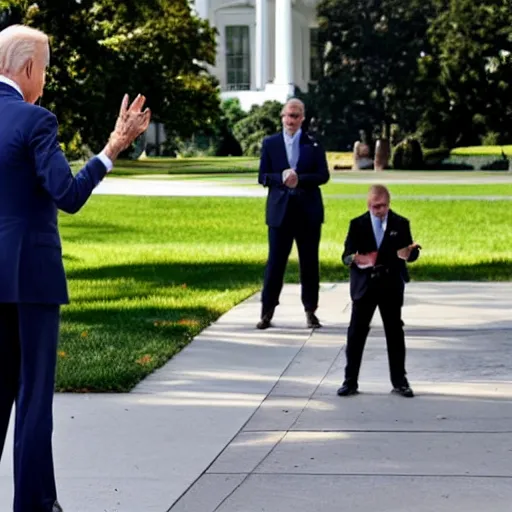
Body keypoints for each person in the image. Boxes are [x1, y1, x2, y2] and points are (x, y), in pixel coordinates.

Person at [0, 25, 150, 512]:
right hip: (31, 277)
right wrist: (112, 148)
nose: (44, 78)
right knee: (33, 396)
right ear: (26, 69)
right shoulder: (34, 120)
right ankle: (35, 504)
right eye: (44, 68)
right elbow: (68, 194)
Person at [338, 184, 420, 398]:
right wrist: (356, 259)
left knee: (394, 331)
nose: (379, 210)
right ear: (368, 204)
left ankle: (400, 381)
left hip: (390, 284)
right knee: (356, 332)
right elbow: (345, 255)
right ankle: (350, 380)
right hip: (365, 285)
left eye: (382, 206)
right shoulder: (357, 224)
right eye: (375, 207)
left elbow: (408, 253)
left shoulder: (400, 223)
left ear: (388, 203)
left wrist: (409, 253)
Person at [257, 98, 330, 329]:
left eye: (296, 116)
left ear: (303, 118)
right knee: (275, 264)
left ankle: (310, 311)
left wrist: (300, 179)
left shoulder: (314, 144)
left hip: (308, 212)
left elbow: (323, 175)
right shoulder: (270, 143)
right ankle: (266, 312)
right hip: (280, 213)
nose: (291, 120)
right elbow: (263, 177)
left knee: (309, 264)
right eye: (288, 115)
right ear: (282, 117)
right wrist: (281, 177)